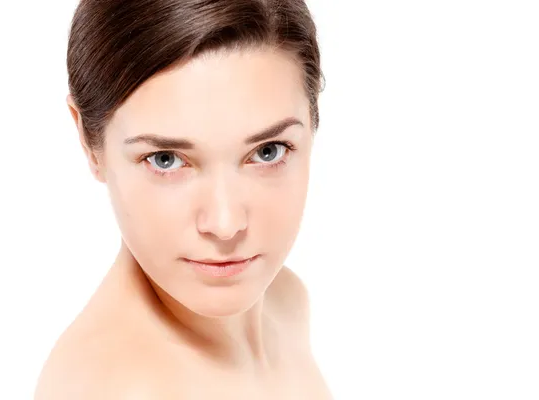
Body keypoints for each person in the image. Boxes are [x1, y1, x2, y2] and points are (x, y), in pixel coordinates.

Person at [34, 0, 331, 398]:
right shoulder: (110, 388)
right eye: (166, 160)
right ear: (90, 143)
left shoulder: (285, 299)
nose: (225, 224)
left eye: (268, 151)